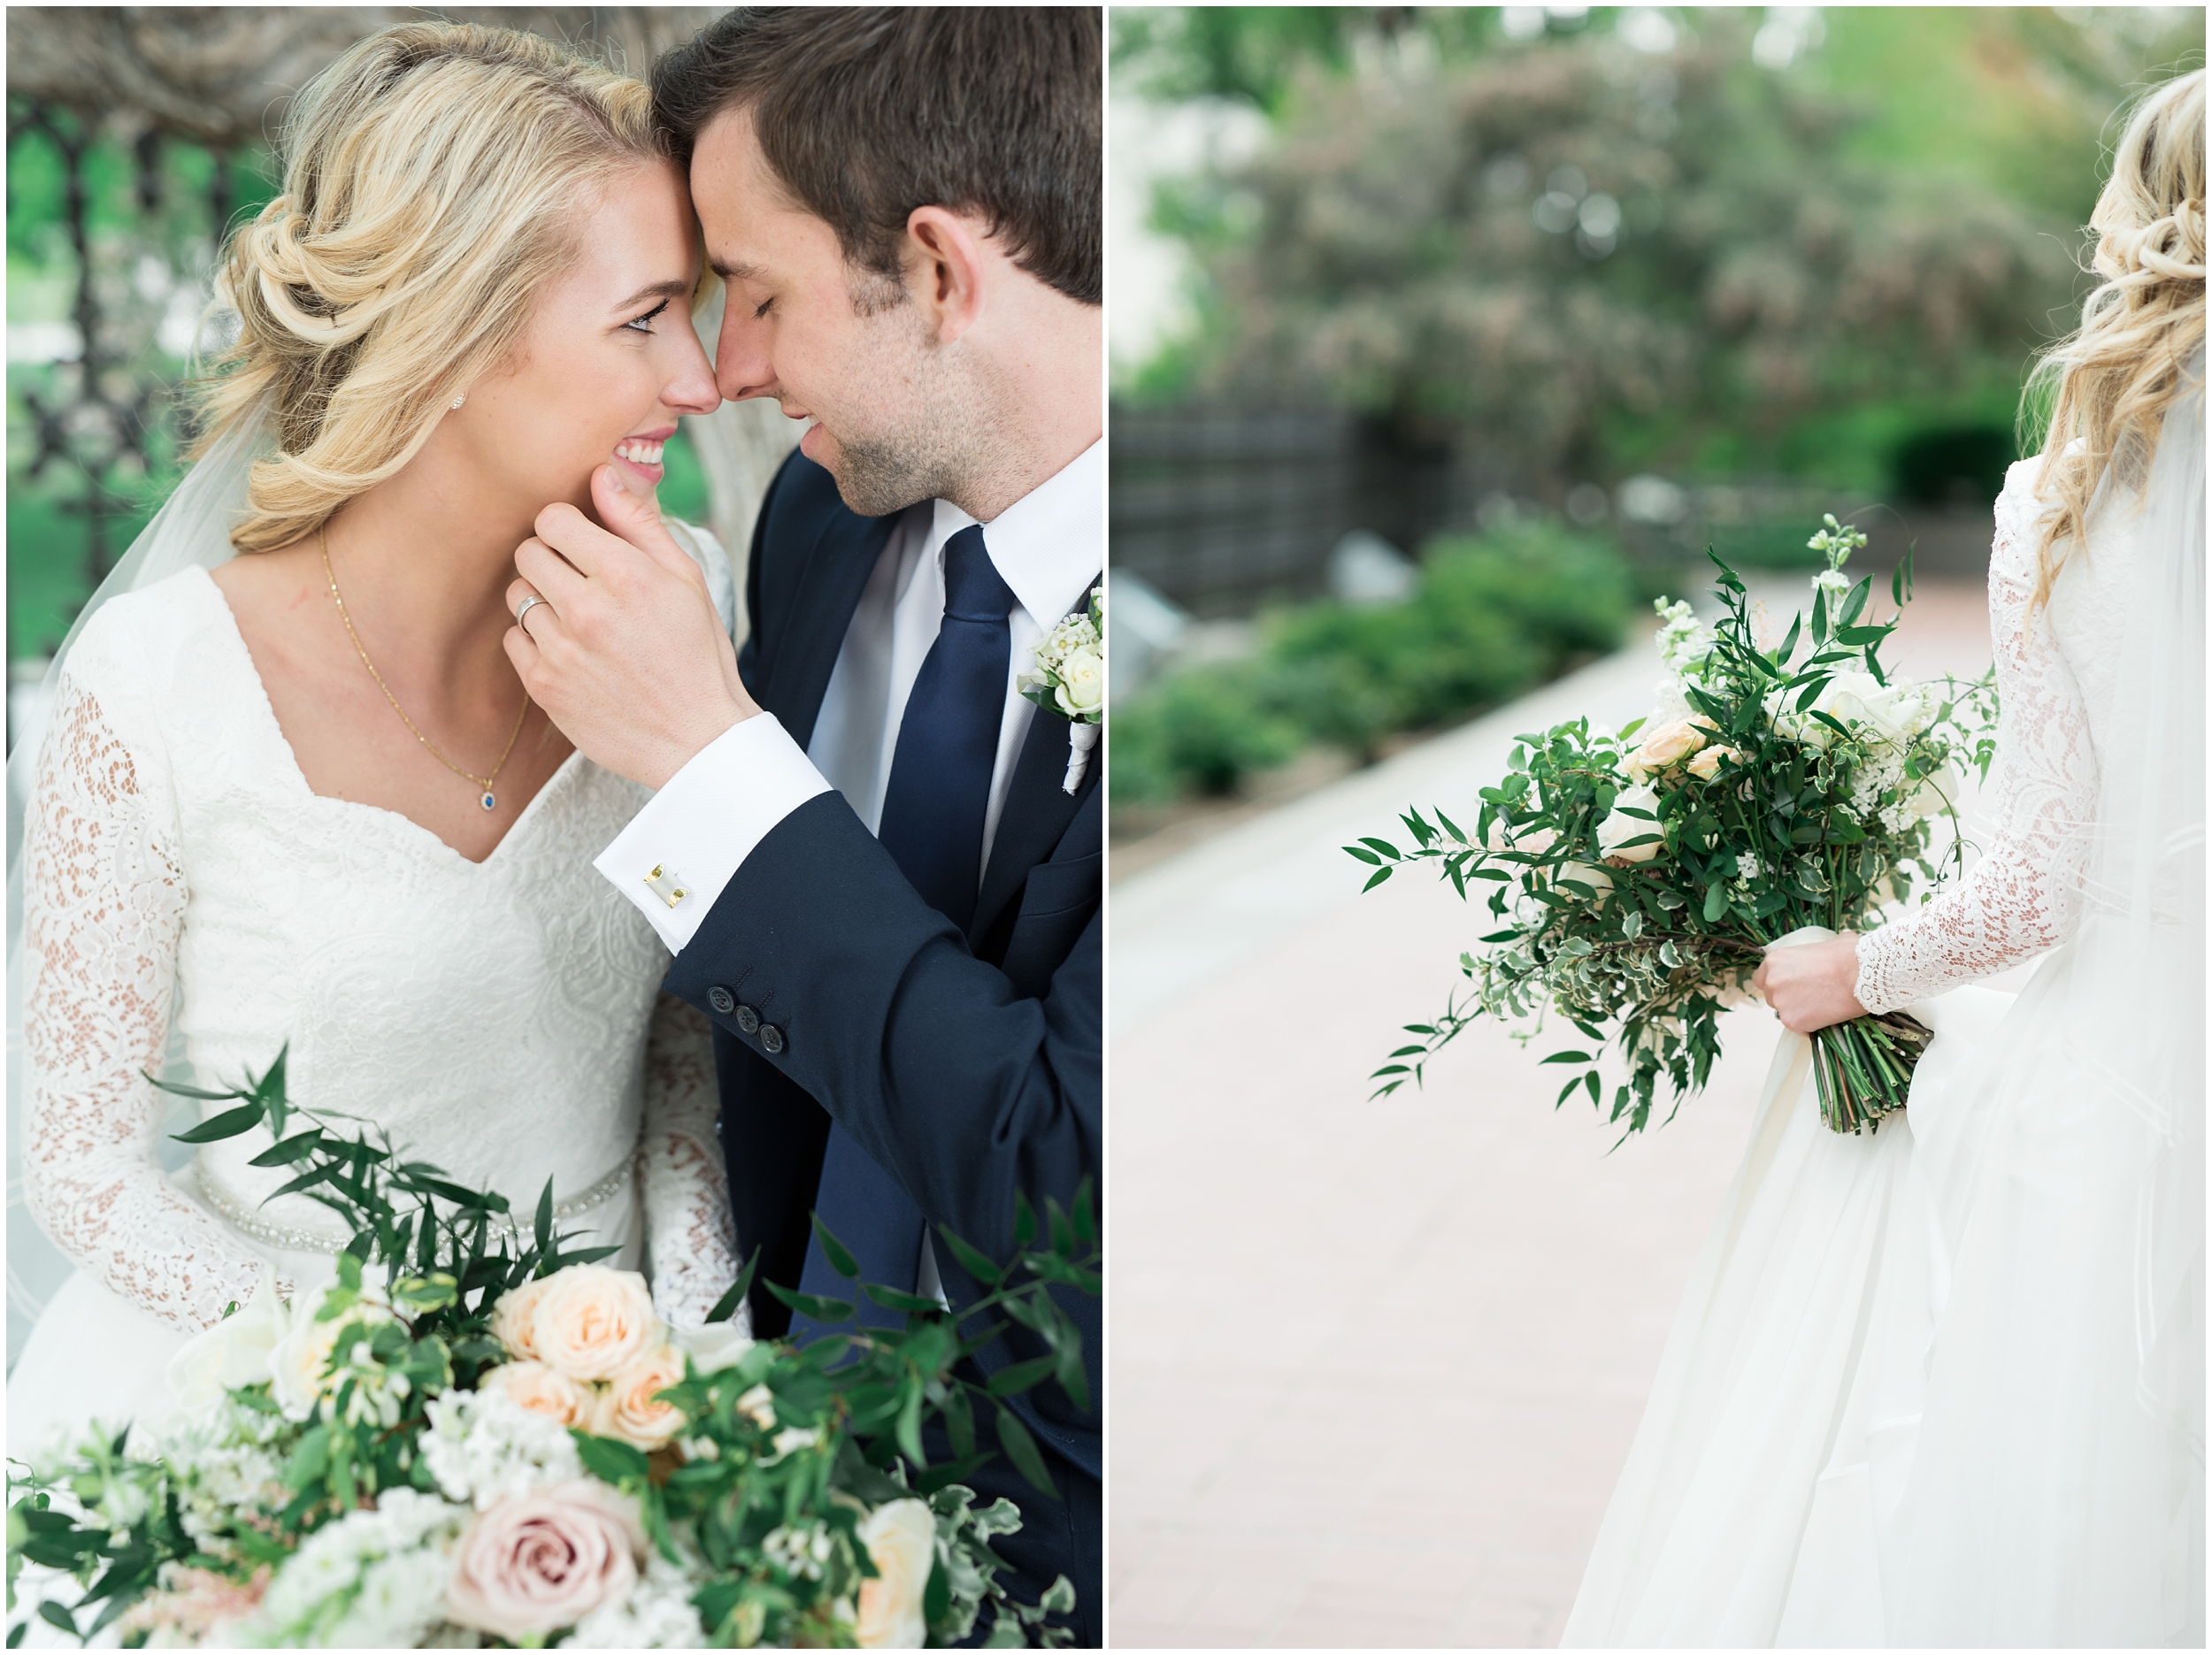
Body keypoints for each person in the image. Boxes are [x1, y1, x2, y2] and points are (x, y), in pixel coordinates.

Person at [7, 23, 744, 1446]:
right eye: (647, 318)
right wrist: (396, 1403)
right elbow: (83, 1167)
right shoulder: (158, 682)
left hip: (616, 1389)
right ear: (462, 333)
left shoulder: (682, 600)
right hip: (268, 1406)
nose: (701, 381)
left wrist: (704, 1381)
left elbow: (683, 1058)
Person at [1563, 69, 2203, 1646]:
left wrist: (1852, 965)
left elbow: (2040, 881)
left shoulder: (2073, 497)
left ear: (2143, 221)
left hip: (2119, 1090)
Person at [499, 9, 1104, 1643]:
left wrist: (715, 771)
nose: (726, 373)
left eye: (755, 295)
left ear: (936, 268)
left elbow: (1077, 1188)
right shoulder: (817, 531)